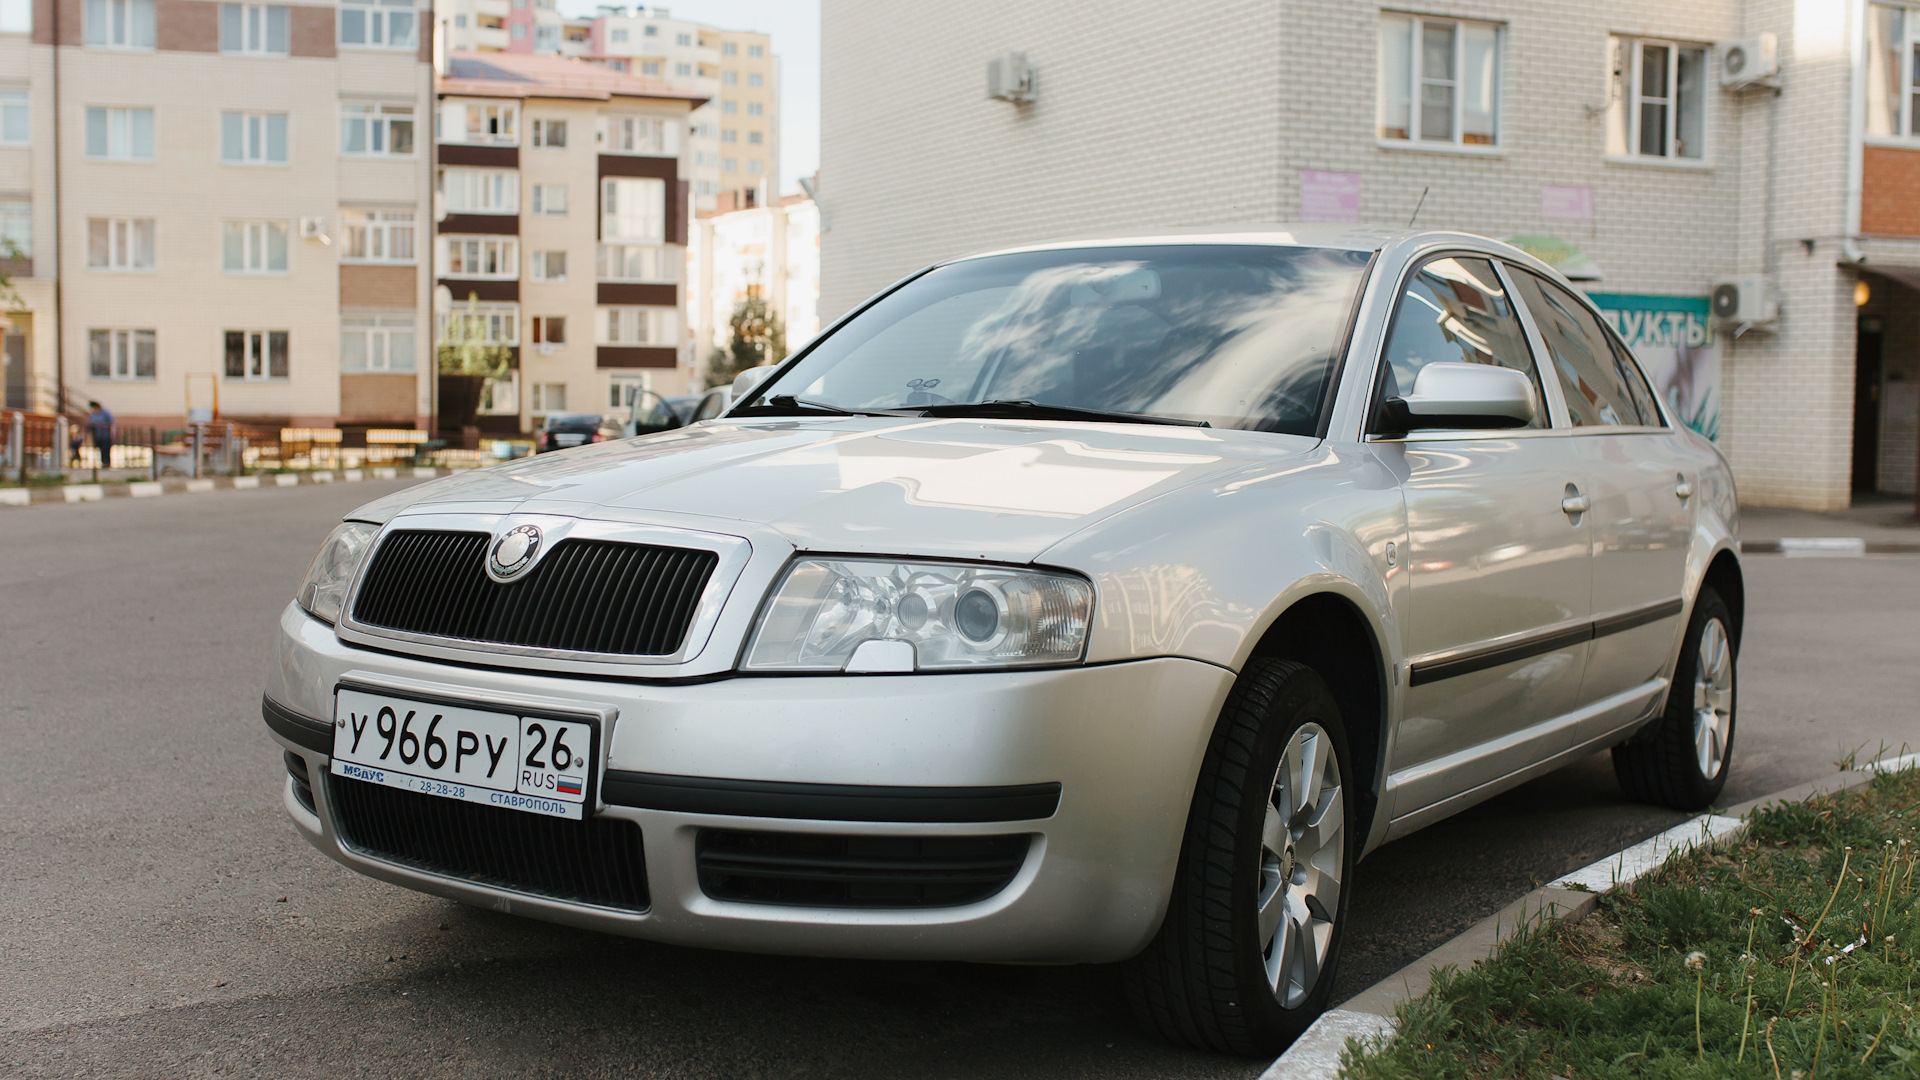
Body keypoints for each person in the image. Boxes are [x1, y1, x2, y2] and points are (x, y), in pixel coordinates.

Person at [86, 400, 114, 472]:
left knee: (106, 449)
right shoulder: (93, 414)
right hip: (97, 435)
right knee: (100, 449)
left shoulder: (105, 412)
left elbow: (111, 423)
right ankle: (102, 462)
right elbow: (90, 423)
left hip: (106, 435)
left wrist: (112, 433)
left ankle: (107, 463)